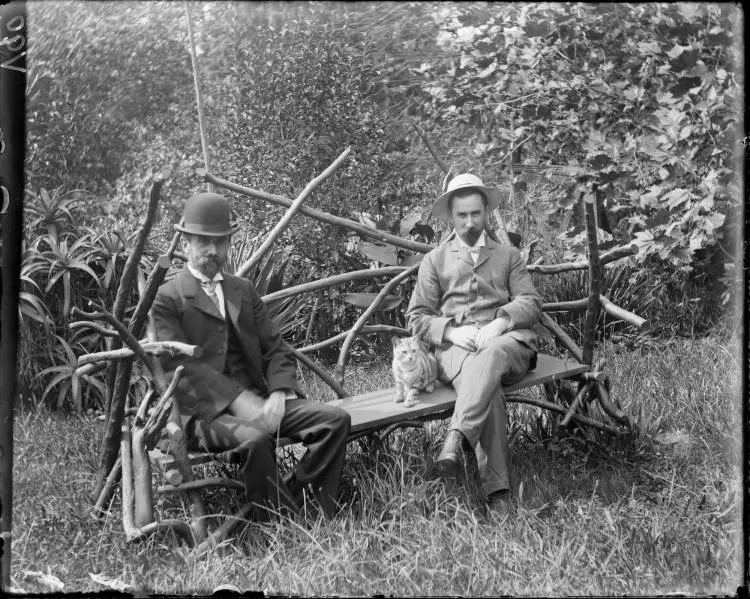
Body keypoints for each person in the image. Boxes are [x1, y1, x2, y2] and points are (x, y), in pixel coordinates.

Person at [150, 191, 351, 520]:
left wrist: (278, 393)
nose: (213, 251)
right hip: (203, 417)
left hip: (262, 401)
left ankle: (306, 505)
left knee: (334, 421)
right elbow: (180, 368)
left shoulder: (242, 290)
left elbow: (275, 348)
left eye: (221, 241)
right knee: (256, 439)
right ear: (185, 243)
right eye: (203, 242)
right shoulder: (167, 299)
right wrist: (240, 401)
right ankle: (279, 526)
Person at [405, 173, 542, 514]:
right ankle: (498, 495)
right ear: (451, 217)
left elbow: (531, 302)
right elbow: (417, 317)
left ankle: (456, 438)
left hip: (507, 345)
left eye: (475, 214)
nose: (469, 222)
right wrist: (450, 332)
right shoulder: (435, 261)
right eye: (462, 215)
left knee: (492, 353)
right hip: (457, 352)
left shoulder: (507, 255)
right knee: (487, 388)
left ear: (485, 213)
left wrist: (500, 322)